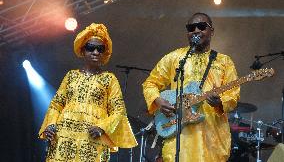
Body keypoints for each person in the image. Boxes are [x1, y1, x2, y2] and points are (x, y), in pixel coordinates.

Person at [142, 12, 240, 162]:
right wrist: (158, 100)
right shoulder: (175, 58)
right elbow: (150, 83)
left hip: (211, 139)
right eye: (191, 28)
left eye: (201, 27)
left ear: (211, 31)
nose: (196, 30)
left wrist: (220, 102)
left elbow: (233, 96)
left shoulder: (224, 62)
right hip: (179, 139)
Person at [39, 23, 137, 162]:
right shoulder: (71, 75)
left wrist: (102, 127)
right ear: (83, 50)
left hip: (92, 139)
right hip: (64, 137)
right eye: (91, 48)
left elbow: (119, 111)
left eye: (100, 49)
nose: (95, 52)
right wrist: (51, 124)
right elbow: (56, 104)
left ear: (104, 52)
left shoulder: (109, 79)